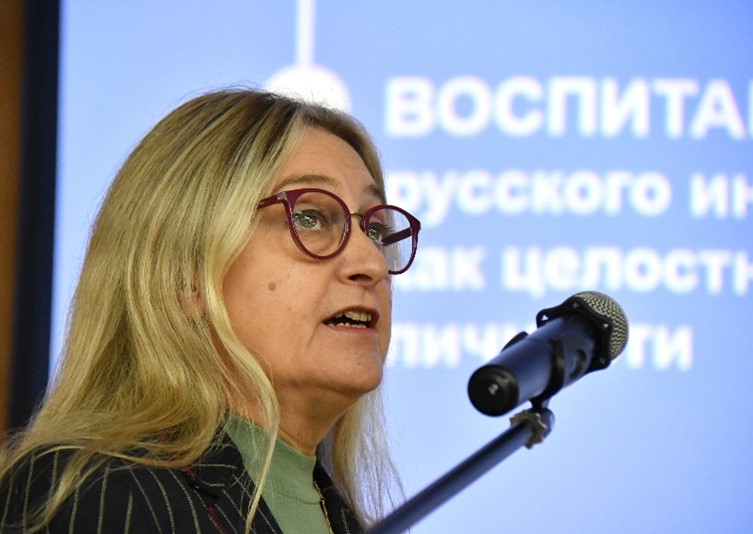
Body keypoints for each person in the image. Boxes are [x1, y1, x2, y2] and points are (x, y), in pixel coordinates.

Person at [0, 88, 421, 533]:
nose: (373, 263)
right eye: (310, 217)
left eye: (375, 230)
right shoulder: (95, 491)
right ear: (185, 276)